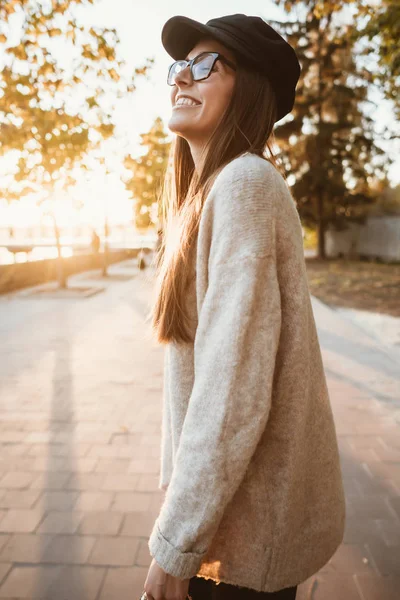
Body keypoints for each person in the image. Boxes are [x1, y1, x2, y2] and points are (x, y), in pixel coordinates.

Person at [142, 13, 346, 600]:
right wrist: (180, 496)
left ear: (250, 87)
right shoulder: (209, 195)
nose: (183, 77)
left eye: (207, 65)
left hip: (240, 541)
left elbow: (231, 390)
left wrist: (174, 546)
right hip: (224, 522)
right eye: (180, 65)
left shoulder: (245, 185)